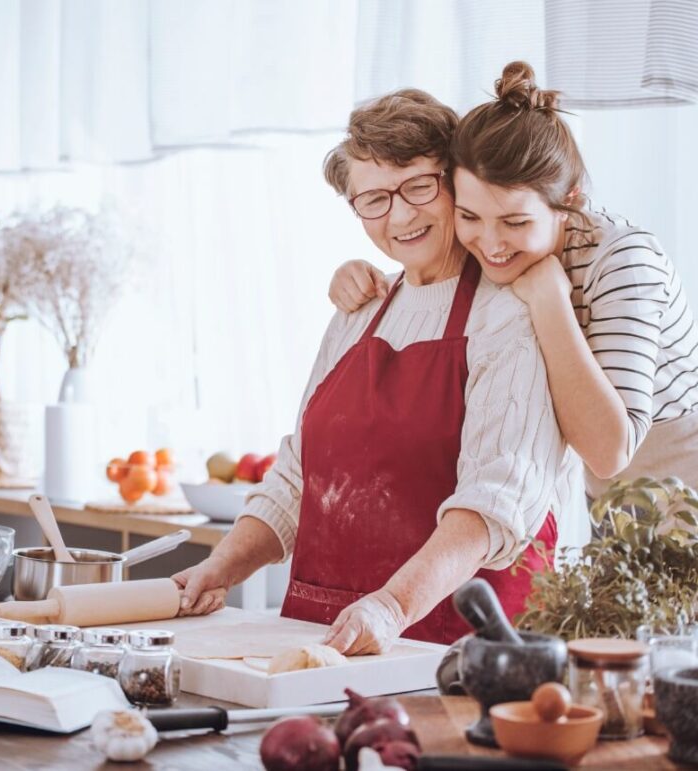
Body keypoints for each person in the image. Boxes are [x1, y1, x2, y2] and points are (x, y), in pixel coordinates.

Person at [172, 89, 567, 654]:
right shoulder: (359, 309)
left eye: (419, 186)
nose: (400, 215)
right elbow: (298, 475)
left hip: (453, 647)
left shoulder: (508, 313)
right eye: (374, 199)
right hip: (323, 638)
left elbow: (494, 503)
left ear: (457, 181)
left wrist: (391, 606)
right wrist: (221, 567)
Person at [329, 62, 698, 502]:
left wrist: (549, 300)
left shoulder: (623, 261)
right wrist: (352, 273)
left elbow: (608, 451)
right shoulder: (500, 248)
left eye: (515, 221)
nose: (490, 244)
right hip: (610, 505)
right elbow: (430, 263)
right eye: (469, 216)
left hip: (679, 485)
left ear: (569, 202)